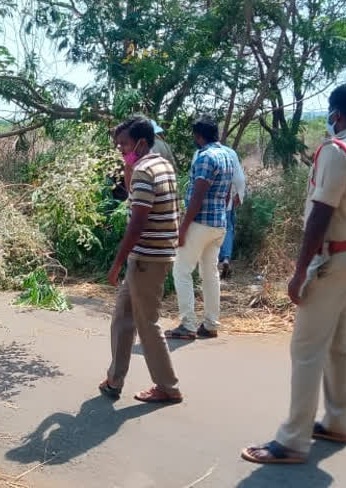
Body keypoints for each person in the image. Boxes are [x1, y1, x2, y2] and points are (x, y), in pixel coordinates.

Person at [241, 82, 346, 464]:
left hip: (332, 260)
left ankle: (292, 441)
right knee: (339, 342)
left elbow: (321, 214)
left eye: (329, 111)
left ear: (336, 114)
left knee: (307, 349)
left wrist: (299, 272)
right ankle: (339, 422)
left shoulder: (335, 151)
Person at [99, 115, 183, 404]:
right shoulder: (161, 164)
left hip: (147, 256)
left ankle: (168, 387)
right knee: (123, 317)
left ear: (142, 142)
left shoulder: (146, 170)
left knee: (147, 323)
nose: (121, 149)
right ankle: (114, 379)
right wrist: (127, 162)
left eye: (124, 144)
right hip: (151, 254)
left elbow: (137, 221)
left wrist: (117, 262)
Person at [166, 116, 235, 341]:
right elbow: (227, 193)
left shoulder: (205, 157)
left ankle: (188, 325)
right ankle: (211, 324)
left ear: (198, 136)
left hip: (200, 223)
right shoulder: (227, 155)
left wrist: (183, 226)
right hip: (218, 224)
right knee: (209, 274)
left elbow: (197, 196)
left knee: (182, 270)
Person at [192, 143, 246, 278]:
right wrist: (240, 194)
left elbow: (194, 179)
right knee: (227, 227)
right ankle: (225, 259)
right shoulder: (230, 153)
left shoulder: (199, 153)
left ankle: (206, 264)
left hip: (203, 205)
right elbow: (239, 178)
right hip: (224, 201)